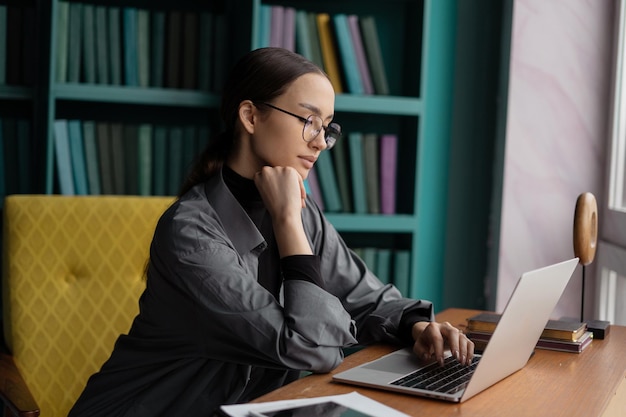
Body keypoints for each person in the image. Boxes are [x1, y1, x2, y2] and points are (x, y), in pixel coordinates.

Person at [68, 47, 473, 416]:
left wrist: (415, 326)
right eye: (309, 121)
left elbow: (364, 297)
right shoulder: (188, 234)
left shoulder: (299, 208)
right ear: (250, 116)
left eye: (327, 128)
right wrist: (287, 222)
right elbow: (310, 348)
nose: (319, 143)